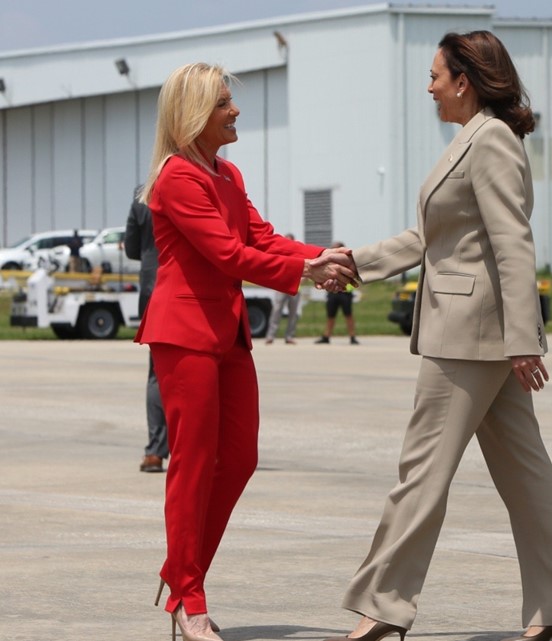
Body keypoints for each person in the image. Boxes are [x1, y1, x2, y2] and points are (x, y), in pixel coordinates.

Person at [322, 31, 552, 641]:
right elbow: (430, 240)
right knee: (527, 475)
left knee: (421, 473)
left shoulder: (491, 140)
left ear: (464, 80)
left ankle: (383, 604)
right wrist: (355, 262)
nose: (429, 86)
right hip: (480, 335)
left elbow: (512, 242)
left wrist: (527, 339)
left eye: (435, 75)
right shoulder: (470, 140)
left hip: (468, 338)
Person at [135, 62, 358, 641]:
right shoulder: (178, 178)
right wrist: (304, 271)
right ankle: (190, 598)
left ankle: (178, 572)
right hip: (185, 335)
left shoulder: (227, 177)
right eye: (224, 104)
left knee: (238, 459)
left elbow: (260, 238)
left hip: (227, 337)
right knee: (190, 466)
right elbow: (228, 256)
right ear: (193, 116)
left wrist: (326, 256)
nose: (235, 112)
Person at [123, 187, 168, 473]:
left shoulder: (143, 193)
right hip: (189, 285)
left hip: (152, 286)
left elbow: (131, 248)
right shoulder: (199, 180)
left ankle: (154, 451)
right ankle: (199, 447)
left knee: (158, 372)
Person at [315, 241, 359, 345]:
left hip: (345, 292)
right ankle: (326, 336)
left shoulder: (348, 263)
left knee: (348, 315)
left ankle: (352, 336)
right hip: (333, 292)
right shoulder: (329, 263)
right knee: (331, 315)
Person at [266, 233, 303, 345]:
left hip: (295, 287)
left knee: (293, 313)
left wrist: (301, 280)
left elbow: (304, 269)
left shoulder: (298, 254)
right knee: (276, 311)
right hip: (281, 287)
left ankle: (289, 336)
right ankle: (270, 336)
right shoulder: (280, 254)